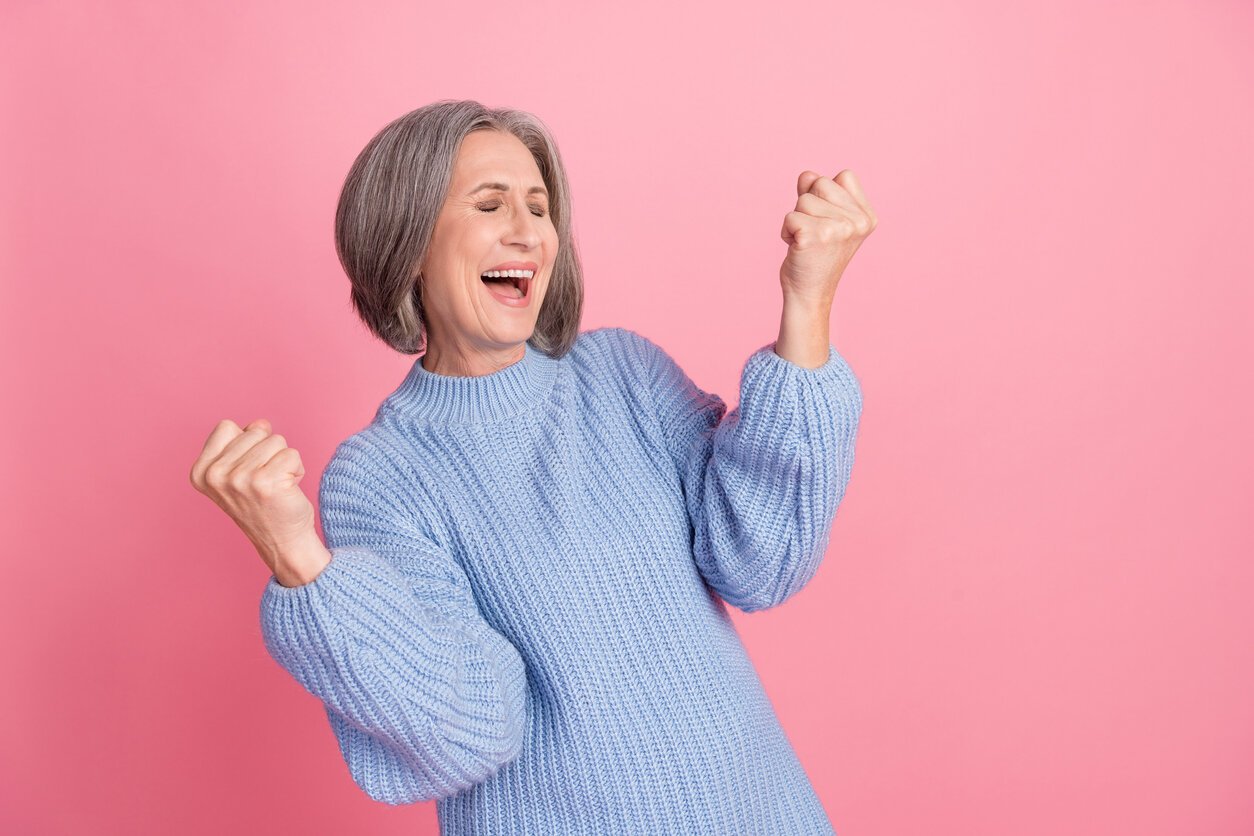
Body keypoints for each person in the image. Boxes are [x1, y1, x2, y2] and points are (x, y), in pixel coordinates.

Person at [189, 99, 875, 835]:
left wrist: (808, 301)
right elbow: (468, 729)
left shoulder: (625, 375)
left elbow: (762, 561)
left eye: (539, 208)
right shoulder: (382, 475)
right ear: (408, 243)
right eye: (490, 204)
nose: (527, 231)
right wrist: (298, 558)